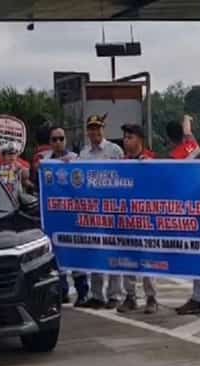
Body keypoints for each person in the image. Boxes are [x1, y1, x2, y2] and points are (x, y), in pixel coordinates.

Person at [78, 114, 125, 310]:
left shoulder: (114, 150)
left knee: (114, 252)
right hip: (92, 210)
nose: (95, 132)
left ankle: (115, 294)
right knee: (94, 252)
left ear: (103, 129)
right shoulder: (84, 154)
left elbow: (126, 178)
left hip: (112, 209)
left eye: (98, 128)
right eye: (92, 128)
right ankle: (97, 295)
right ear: (87, 131)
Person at [168, 116, 200, 315]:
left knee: (199, 255)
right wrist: (187, 127)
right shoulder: (191, 149)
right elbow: (194, 145)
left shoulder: (176, 156)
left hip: (192, 211)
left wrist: (186, 128)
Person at [39, 126, 89, 303]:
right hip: (55, 217)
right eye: (54, 139)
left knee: (76, 256)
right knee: (57, 257)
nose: (58, 142)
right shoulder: (45, 162)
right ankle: (62, 292)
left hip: (74, 216)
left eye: (61, 138)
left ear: (65, 140)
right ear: (50, 142)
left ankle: (83, 293)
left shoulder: (76, 159)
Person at [116, 124, 159, 315]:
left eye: (130, 137)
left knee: (147, 259)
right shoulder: (122, 163)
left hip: (145, 219)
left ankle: (152, 297)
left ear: (140, 140)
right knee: (127, 259)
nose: (126, 141)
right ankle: (130, 296)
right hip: (126, 218)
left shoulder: (150, 160)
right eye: (124, 137)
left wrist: (148, 167)